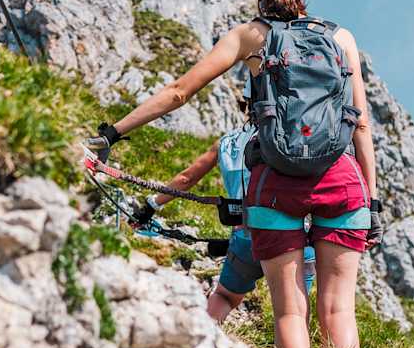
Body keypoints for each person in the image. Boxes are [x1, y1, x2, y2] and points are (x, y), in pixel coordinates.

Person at [86, 0, 381, 348]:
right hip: (341, 181)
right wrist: (372, 200)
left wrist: (111, 134)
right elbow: (360, 126)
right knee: (338, 308)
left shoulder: (251, 37)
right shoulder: (341, 38)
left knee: (289, 311)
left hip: (275, 185)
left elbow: (179, 92)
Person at [131, 118, 316, 323]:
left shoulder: (226, 142)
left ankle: (203, 339)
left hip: (246, 236)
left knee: (225, 296)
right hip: (293, 238)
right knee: (293, 313)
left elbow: (187, 178)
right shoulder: (288, 135)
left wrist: (152, 205)